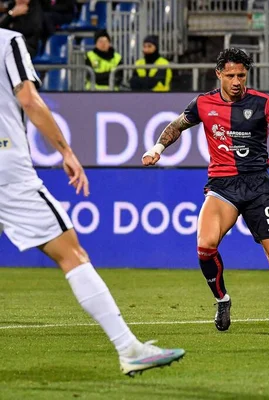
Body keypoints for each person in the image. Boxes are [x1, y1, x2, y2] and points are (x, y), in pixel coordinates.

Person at [0, 28, 184, 376]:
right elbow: (28, 98)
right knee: (72, 255)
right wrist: (65, 151)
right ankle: (129, 348)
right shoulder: (8, 40)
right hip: (6, 171)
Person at [142, 48, 269, 332]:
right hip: (223, 185)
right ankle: (222, 299)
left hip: (257, 184)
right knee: (205, 246)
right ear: (219, 74)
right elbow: (176, 126)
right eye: (231, 75)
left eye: (242, 75)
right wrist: (157, 148)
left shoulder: (262, 103)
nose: (237, 81)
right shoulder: (203, 103)